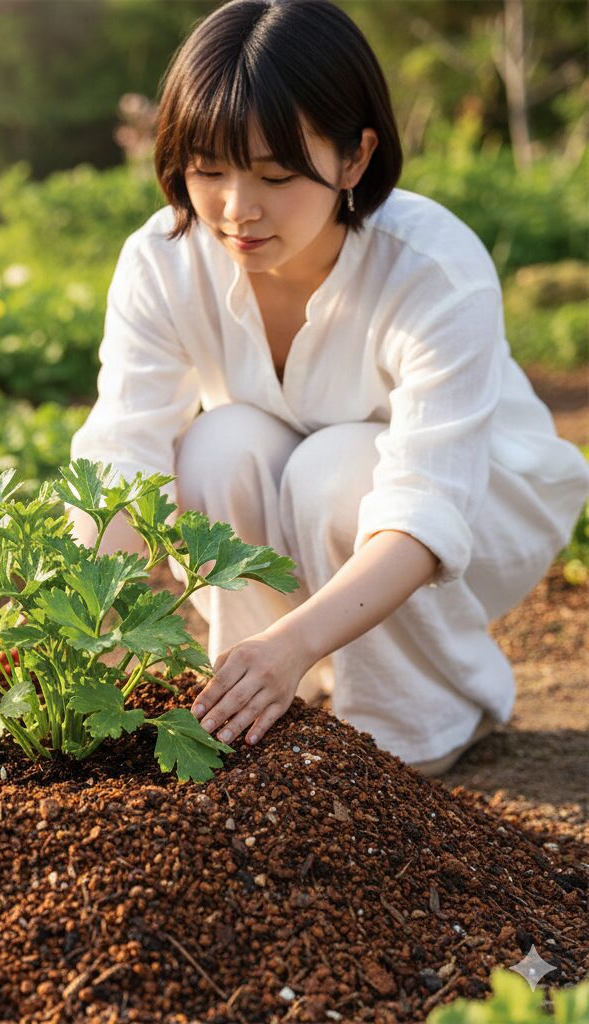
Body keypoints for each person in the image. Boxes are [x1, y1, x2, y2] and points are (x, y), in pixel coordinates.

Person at [66, 0, 589, 776]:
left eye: (275, 175)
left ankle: (412, 728)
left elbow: (425, 505)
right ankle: (258, 701)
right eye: (208, 170)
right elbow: (123, 455)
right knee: (218, 446)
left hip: (474, 508)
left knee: (337, 469)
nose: (236, 210)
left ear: (354, 157)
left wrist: (295, 640)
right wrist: (73, 632)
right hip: (304, 495)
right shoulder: (163, 260)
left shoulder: (432, 267)